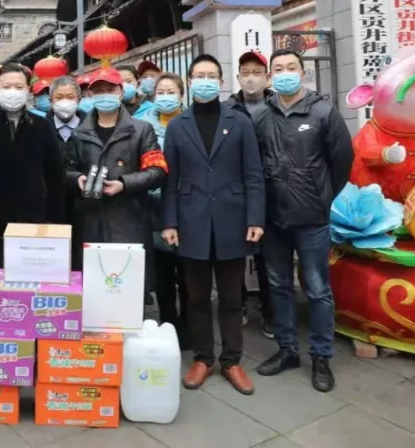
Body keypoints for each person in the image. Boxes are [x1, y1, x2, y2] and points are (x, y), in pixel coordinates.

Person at [161, 55, 265, 395]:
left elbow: (253, 174)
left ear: (221, 82)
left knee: (232, 297)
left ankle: (232, 360)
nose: (205, 81)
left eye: (211, 75)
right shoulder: (178, 126)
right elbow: (170, 180)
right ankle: (203, 358)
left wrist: (255, 218)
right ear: (190, 81)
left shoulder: (240, 122)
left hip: (233, 220)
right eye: (199, 75)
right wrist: (170, 221)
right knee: (196, 298)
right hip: (191, 221)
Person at [253, 49, 353, 393]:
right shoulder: (261, 117)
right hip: (273, 219)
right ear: (270, 77)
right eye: (278, 69)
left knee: (317, 289)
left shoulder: (323, 112)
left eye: (291, 68)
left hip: (312, 219)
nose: (285, 73)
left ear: (302, 73)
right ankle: (287, 350)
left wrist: (322, 197)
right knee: (278, 286)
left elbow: (342, 162)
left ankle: (321, 356)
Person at [0, 63, 65, 293]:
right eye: (7, 87)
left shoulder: (41, 126)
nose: (12, 92)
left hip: (33, 220)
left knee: (30, 286)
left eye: (18, 87)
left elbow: (55, 174)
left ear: (28, 90)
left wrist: (53, 216)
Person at [64, 67, 166, 248]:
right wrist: (77, 178)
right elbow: (65, 171)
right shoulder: (79, 134)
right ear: (90, 94)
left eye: (111, 90)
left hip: (131, 222)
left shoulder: (142, 130)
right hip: (90, 223)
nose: (105, 95)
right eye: (99, 91)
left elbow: (157, 171)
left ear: (121, 92)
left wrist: (124, 184)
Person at [139, 73, 191, 350]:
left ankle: (189, 326)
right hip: (154, 208)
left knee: (189, 275)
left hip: (187, 207)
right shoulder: (142, 125)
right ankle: (168, 323)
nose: (166, 96)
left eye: (171, 91)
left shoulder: (191, 122)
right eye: (161, 91)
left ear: (181, 95)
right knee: (162, 275)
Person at [226, 50, 276, 338]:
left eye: (257, 72)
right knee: (235, 255)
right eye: (245, 73)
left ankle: (270, 312)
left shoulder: (278, 106)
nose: (250, 78)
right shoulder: (229, 109)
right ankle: (240, 304)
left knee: (268, 259)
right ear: (237, 77)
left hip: (273, 192)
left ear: (267, 77)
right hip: (237, 193)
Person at [47, 75, 85, 270]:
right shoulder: (40, 128)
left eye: (70, 97)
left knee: (81, 261)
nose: (65, 102)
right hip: (51, 205)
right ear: (51, 100)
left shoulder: (90, 127)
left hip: (85, 204)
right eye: (59, 97)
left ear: (79, 99)